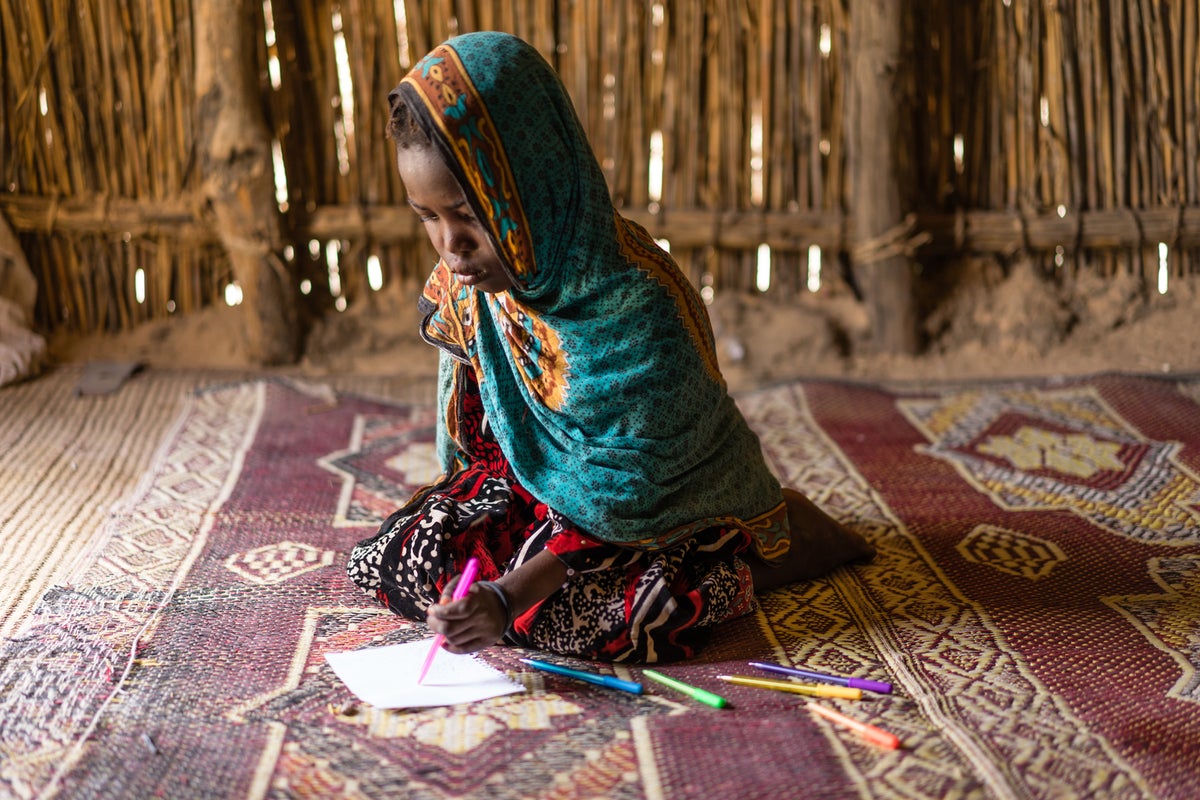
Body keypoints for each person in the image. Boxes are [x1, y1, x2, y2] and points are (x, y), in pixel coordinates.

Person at [346, 31, 874, 664]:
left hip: (660, 514)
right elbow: (483, 453)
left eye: (469, 213)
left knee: (597, 623)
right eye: (427, 217)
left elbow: (624, 497)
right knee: (399, 555)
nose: (449, 244)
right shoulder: (473, 289)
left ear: (534, 186)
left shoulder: (635, 309)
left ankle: (764, 551)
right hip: (546, 497)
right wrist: (477, 527)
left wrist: (510, 594)